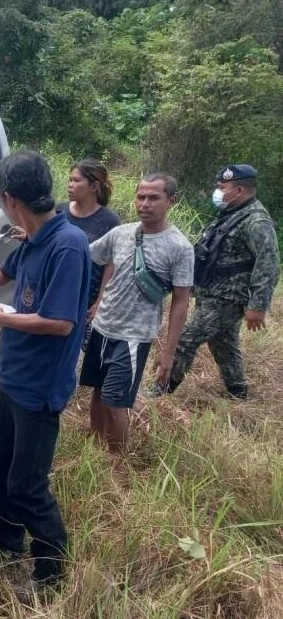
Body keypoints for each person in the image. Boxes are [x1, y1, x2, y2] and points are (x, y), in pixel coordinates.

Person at [0, 151, 91, 595]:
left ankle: (50, 576)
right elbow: (7, 269)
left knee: (28, 485)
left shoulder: (67, 245)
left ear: (8, 199)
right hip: (11, 378)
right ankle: (6, 543)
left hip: (40, 388)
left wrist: (1, 319)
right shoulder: (35, 239)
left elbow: (61, 323)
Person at [80, 174, 193, 452]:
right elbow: (86, 254)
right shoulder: (121, 233)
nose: (144, 203)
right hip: (102, 326)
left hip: (133, 336)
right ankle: (94, 452)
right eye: (140, 196)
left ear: (171, 201)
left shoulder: (179, 247)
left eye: (153, 197)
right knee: (97, 390)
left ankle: (117, 462)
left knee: (115, 401)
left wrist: (168, 353)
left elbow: (181, 301)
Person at [158, 164, 279, 399]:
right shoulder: (232, 214)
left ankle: (161, 392)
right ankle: (238, 392)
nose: (218, 191)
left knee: (185, 340)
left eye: (222, 187)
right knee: (223, 344)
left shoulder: (256, 221)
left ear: (240, 190)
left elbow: (269, 263)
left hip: (228, 298)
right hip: (212, 293)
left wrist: (258, 306)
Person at [61, 159, 121, 329]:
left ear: (94, 187)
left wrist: (99, 303)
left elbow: (111, 266)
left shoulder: (110, 221)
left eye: (76, 180)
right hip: (56, 292)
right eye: (70, 180)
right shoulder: (59, 211)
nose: (70, 185)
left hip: (86, 300)